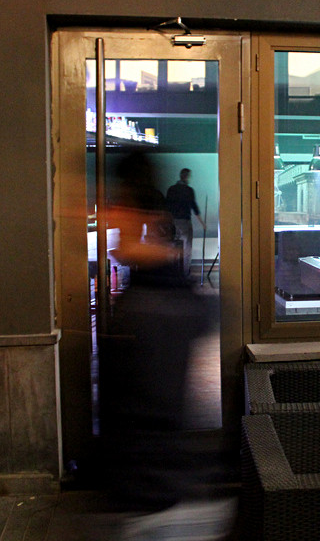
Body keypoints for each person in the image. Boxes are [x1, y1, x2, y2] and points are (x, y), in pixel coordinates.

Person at [97, 152, 234, 539]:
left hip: (160, 503)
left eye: (116, 208)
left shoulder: (150, 309)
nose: (110, 218)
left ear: (134, 213)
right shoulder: (165, 297)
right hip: (163, 496)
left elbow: (148, 416)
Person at [166, 168, 205, 276]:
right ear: (187, 177)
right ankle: (184, 272)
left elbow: (167, 207)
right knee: (186, 248)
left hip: (172, 223)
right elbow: (194, 207)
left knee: (173, 247)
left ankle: (173, 271)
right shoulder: (189, 190)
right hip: (184, 222)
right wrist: (203, 224)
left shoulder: (171, 189)